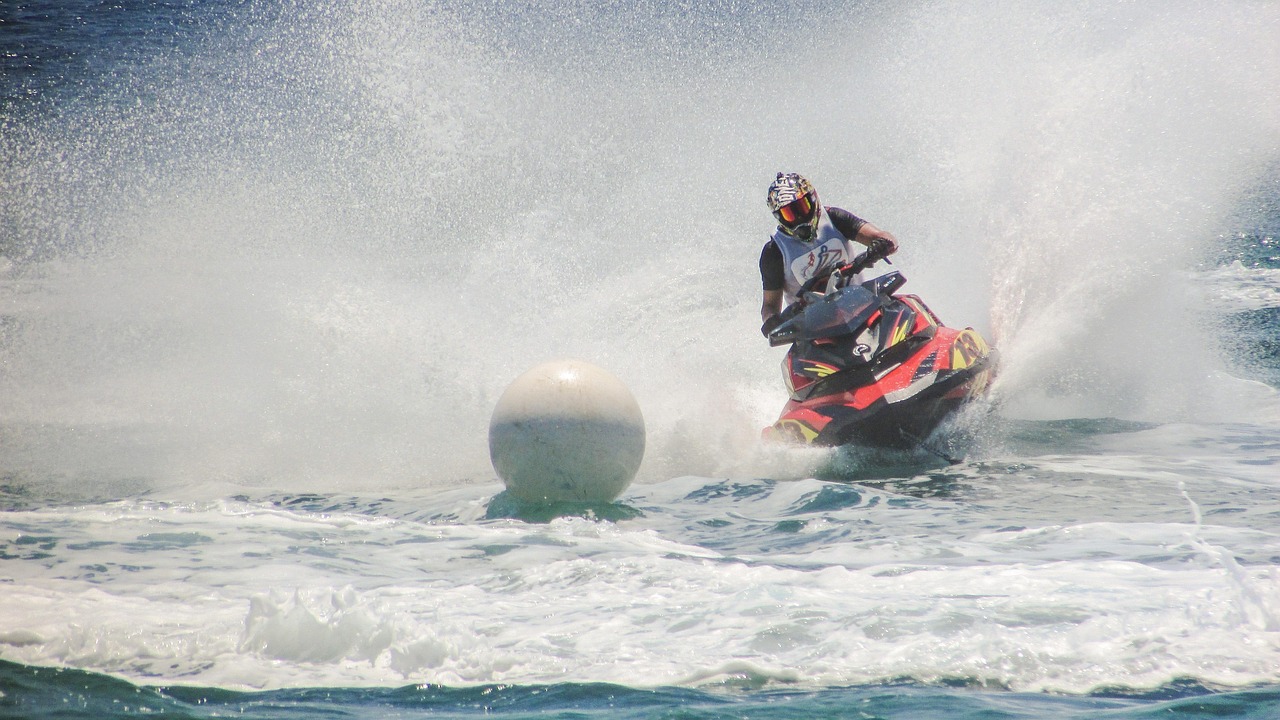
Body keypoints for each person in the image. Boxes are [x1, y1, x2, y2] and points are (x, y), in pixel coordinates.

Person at [758, 172, 899, 337]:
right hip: (816, 331)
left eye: (802, 207)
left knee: (901, 308)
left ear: (813, 199)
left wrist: (882, 244)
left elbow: (883, 237)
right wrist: (771, 321)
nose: (799, 218)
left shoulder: (834, 218)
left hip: (862, 307)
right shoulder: (774, 252)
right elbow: (769, 306)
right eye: (789, 214)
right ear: (779, 218)